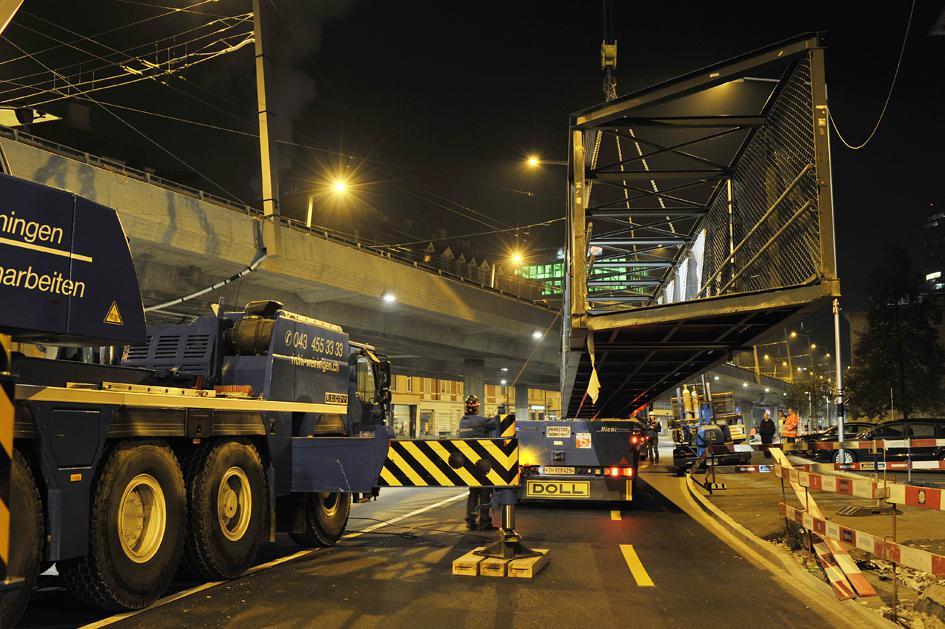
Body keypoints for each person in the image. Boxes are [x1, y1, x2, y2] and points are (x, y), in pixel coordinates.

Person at [459, 395, 497, 530]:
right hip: (481, 462)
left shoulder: (463, 421)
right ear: (476, 407)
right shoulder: (480, 421)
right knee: (485, 491)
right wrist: (498, 413)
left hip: (468, 462)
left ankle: (471, 520)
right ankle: (485, 522)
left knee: (473, 491)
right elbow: (494, 424)